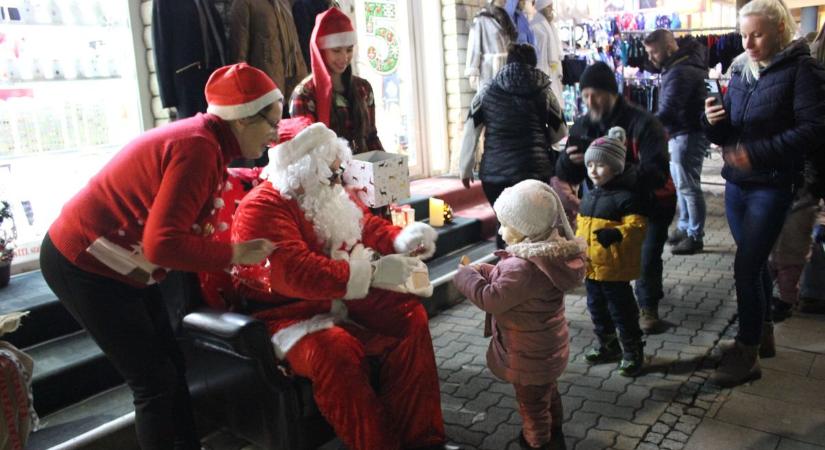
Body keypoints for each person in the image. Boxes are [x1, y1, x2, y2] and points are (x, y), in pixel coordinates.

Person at [38, 63, 280, 450]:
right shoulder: (199, 147)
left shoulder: (210, 144)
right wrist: (234, 253)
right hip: (85, 262)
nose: (274, 133)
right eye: (271, 122)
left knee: (171, 368)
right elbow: (162, 245)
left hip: (123, 265)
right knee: (154, 382)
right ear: (243, 119)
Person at [229, 121, 456, 450]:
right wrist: (375, 273)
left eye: (339, 170)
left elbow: (365, 224)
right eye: (332, 172)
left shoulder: (328, 192)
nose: (340, 180)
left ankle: (423, 439)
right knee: (334, 351)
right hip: (287, 315)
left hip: (342, 299)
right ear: (304, 170)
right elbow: (294, 272)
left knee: (408, 317)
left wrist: (402, 239)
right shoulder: (262, 208)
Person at [703, 0, 825, 387]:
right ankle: (763, 334)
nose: (748, 42)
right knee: (753, 265)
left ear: (779, 31)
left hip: (772, 184)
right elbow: (732, 128)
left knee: (746, 265)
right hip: (738, 183)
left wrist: (754, 154)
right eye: (743, 34)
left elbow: (813, 130)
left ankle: (746, 349)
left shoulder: (802, 69)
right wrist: (713, 125)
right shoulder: (741, 68)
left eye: (756, 34)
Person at [454, 180, 586, 450]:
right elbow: (515, 287)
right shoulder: (546, 257)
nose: (501, 230)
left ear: (528, 228)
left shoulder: (523, 267)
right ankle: (555, 432)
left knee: (532, 408)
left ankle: (538, 442)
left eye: (507, 224)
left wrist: (465, 276)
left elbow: (492, 298)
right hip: (546, 350)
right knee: (547, 394)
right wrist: (488, 271)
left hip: (527, 355)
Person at [554, 62, 674, 335]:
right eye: (585, 95)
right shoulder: (583, 125)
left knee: (647, 256)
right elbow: (565, 173)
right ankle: (612, 310)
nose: (590, 101)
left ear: (612, 93)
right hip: (604, 209)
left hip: (650, 203)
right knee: (604, 260)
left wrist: (609, 168)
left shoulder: (643, 123)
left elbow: (655, 173)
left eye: (596, 94)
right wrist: (569, 159)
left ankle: (648, 307)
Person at [459, 43, 567, 249]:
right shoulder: (544, 90)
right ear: (533, 62)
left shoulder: (486, 90)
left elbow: (470, 130)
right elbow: (560, 131)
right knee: (534, 229)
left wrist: (465, 168)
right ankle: (533, 274)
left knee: (506, 227)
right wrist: (541, 138)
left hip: (495, 175)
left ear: (507, 62)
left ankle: (505, 272)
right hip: (533, 173)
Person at [576, 127, 648, 377]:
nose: (593, 171)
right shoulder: (589, 195)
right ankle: (608, 346)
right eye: (590, 165)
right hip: (592, 269)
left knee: (623, 312)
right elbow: (580, 229)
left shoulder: (626, 196)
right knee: (597, 310)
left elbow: (638, 227)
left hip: (615, 270)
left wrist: (617, 233)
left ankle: (633, 351)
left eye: (600, 165)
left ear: (616, 167)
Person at [643, 29, 710, 255]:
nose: (650, 58)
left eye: (653, 53)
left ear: (669, 48)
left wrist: (646, 124)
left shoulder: (681, 71)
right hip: (682, 132)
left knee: (688, 186)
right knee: (683, 185)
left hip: (687, 133)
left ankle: (694, 234)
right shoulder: (679, 66)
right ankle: (685, 227)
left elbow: (670, 109)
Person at [290, 7, 383, 155]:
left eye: (349, 49)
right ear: (321, 50)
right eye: (336, 50)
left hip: (365, 172)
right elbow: (306, 152)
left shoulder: (363, 88)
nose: (344, 57)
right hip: (326, 175)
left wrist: (388, 166)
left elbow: (371, 136)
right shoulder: (304, 94)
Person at [229, 0, 308, 107]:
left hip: (294, 82)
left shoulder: (284, 3)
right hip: (266, 88)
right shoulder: (244, 3)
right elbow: (239, 54)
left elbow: (295, 42)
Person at [465, 0, 517, 92]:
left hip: (507, 70)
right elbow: (474, 47)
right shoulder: (481, 19)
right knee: (490, 101)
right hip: (489, 71)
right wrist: (473, 71)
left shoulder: (507, 18)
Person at [530, 0, 565, 106]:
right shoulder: (536, 23)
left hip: (550, 68)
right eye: (549, 7)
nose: (551, 10)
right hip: (542, 66)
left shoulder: (548, 24)